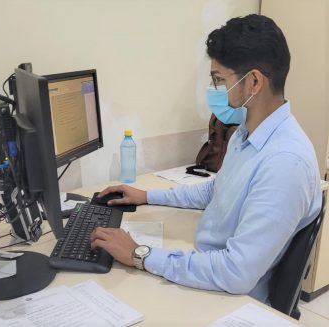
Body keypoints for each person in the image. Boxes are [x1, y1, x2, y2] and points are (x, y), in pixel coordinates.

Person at [90, 14, 322, 304]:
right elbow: (217, 190)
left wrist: (140, 254)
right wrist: (146, 195)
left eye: (219, 79)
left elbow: (236, 273)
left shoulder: (285, 163)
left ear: (253, 82)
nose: (214, 89)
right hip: (209, 268)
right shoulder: (248, 132)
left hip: (228, 298)